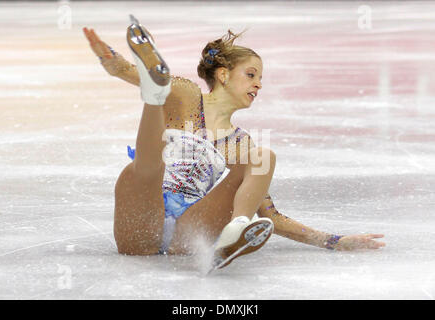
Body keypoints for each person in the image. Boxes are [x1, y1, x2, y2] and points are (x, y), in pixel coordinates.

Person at [82, 16, 385, 269]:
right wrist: (108, 57)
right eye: (251, 74)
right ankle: (154, 92)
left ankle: (235, 230)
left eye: (261, 78)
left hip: (189, 231)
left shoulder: (242, 144)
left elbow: (270, 216)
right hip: (142, 213)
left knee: (263, 156)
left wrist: (333, 241)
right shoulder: (186, 94)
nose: (259, 84)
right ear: (224, 75)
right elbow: (124, 70)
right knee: (147, 168)